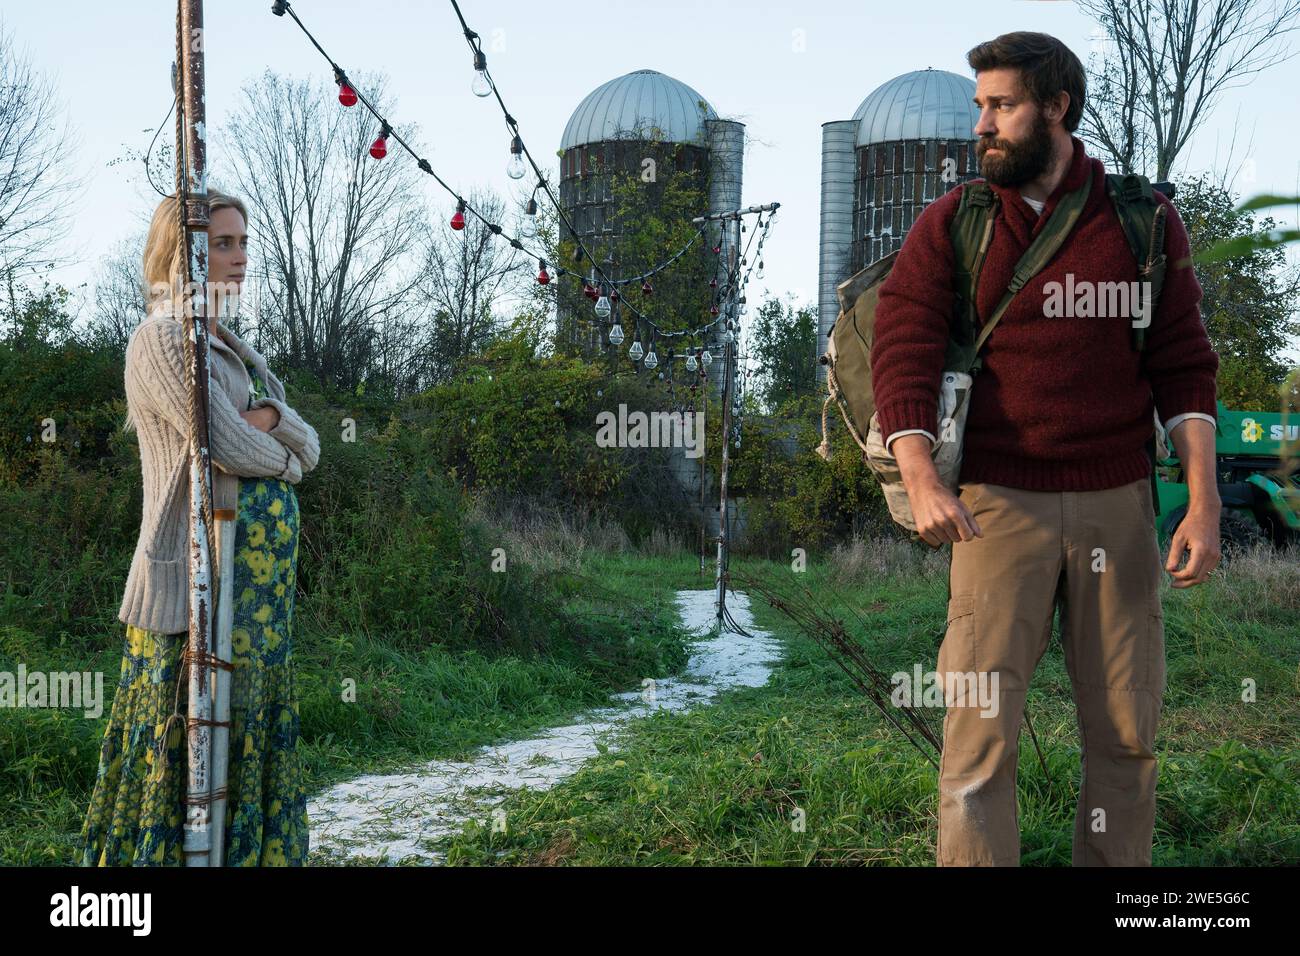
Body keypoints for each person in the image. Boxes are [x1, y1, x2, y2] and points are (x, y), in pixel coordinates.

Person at [870, 31, 1220, 866]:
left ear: (1056, 108)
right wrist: (920, 477)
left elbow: (1183, 365)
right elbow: (902, 351)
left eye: (1001, 105)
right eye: (979, 106)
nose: (981, 125)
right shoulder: (953, 223)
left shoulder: (1142, 223)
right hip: (995, 507)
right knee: (978, 744)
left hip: (1117, 502)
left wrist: (1203, 502)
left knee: (1128, 735)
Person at [79, 189, 321, 866]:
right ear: (179, 251)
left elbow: (306, 443)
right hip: (193, 581)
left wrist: (273, 423)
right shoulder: (159, 339)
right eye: (222, 243)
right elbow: (227, 448)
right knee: (183, 734)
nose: (240, 257)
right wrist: (281, 445)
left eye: (243, 242)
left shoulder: (229, 345)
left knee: (243, 723)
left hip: (253, 593)